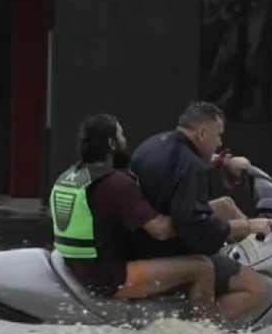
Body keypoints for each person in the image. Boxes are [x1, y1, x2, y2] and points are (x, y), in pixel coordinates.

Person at [49, 113, 217, 319]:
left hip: (76, 267)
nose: (125, 140)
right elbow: (161, 231)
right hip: (108, 278)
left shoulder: (70, 176)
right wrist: (199, 220)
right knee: (202, 267)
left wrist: (215, 162)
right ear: (112, 143)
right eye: (121, 135)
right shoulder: (116, 184)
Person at [129, 101, 272, 325]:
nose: (220, 142)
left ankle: (259, 251)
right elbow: (198, 232)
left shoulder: (155, 143)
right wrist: (248, 226)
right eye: (218, 136)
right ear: (203, 133)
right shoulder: (191, 169)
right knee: (257, 288)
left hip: (140, 236)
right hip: (161, 251)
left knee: (225, 205)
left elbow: (180, 165)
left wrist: (224, 161)